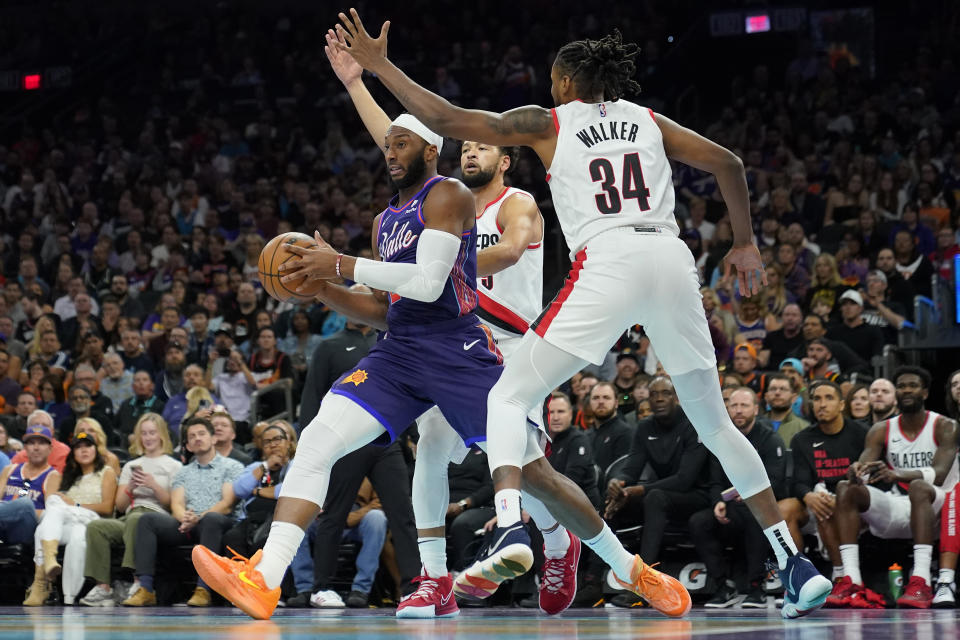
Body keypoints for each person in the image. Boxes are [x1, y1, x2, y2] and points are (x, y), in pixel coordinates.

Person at [338, 14, 829, 619]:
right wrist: (745, 243)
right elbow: (729, 163)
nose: (549, 89)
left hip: (610, 263)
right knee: (717, 424)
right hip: (672, 261)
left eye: (551, 79)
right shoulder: (650, 121)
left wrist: (382, 67)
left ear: (567, 82)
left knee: (508, 400)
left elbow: (446, 121)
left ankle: (514, 529)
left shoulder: (549, 122)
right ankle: (794, 562)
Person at [191, 113, 634, 621]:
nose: (391, 153)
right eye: (387, 146)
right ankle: (266, 577)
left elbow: (427, 284)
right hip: (400, 352)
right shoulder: (385, 222)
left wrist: (338, 264)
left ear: (428, 150)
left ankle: (625, 565)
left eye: (402, 144)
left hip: (460, 349)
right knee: (318, 441)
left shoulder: (450, 196)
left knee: (537, 477)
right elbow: (388, 307)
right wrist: (323, 291)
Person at [321, 37, 572, 617]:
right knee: (430, 449)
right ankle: (434, 579)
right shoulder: (440, 205)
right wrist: (357, 85)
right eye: (465, 146)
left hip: (510, 345)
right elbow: (398, 141)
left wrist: (437, 264)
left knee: (527, 467)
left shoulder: (516, 202)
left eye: (485, 146)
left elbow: (509, 254)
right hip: (449, 338)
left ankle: (559, 545)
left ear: (504, 159)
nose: (471, 153)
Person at [828, 367, 958, 610]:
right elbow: (865, 464)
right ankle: (851, 579)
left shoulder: (945, 426)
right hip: (901, 505)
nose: (906, 390)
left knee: (919, 487)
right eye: (901, 385)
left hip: (943, 507)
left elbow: (938, 476)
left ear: (925, 392)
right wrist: (857, 470)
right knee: (846, 488)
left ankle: (920, 581)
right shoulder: (881, 429)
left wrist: (897, 473)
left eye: (913, 385)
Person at [123, 417, 242, 607]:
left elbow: (227, 503)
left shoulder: (232, 466)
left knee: (211, 518)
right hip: (188, 523)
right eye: (192, 436)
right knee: (147, 520)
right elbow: (176, 504)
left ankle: (203, 589)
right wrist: (184, 518)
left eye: (202, 434)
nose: (197, 438)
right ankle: (145, 588)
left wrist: (198, 518)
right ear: (188, 445)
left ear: (213, 438)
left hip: (219, 523)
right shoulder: (183, 472)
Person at [692, 388, 787, 609]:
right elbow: (714, 481)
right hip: (731, 506)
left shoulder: (769, 439)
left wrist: (749, 495)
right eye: (733, 406)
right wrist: (718, 502)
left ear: (756, 409)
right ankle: (722, 586)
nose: (738, 411)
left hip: (760, 505)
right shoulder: (720, 439)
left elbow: (776, 481)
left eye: (744, 405)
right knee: (699, 522)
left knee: (757, 517)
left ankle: (756, 587)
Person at [80, 413, 182, 607]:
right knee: (96, 526)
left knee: (138, 521)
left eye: (152, 432)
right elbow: (120, 506)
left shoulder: (174, 466)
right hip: (130, 516)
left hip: (158, 518)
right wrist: (130, 488)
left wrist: (154, 486)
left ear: (161, 435)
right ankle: (103, 588)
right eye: (143, 433)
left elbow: (173, 504)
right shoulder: (131, 465)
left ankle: (138, 583)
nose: (148, 437)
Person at [777, 380, 867, 598]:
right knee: (784, 509)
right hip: (819, 500)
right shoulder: (802, 439)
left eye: (829, 398)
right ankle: (800, 580)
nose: (822, 404)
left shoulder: (861, 433)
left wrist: (841, 499)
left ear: (842, 405)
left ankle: (840, 575)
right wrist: (807, 496)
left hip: (855, 504)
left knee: (828, 504)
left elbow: (869, 478)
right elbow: (797, 482)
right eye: (817, 399)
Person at [24, 431, 117, 606]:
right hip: (72, 522)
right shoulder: (68, 478)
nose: (84, 450)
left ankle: (41, 581)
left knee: (53, 506)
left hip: (95, 521)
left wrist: (75, 504)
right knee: (53, 529)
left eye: (88, 446)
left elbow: (107, 508)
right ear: (73, 453)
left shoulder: (106, 472)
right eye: (78, 447)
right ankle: (68, 597)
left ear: (96, 450)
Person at [0, 422, 60, 548]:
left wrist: (17, 509)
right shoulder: (9, 469)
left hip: (25, 530)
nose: (36, 448)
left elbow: (51, 513)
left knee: (25, 504)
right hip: (2, 526)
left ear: (50, 448)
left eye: (42, 443)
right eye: (32, 443)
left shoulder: (53, 476)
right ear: (25, 448)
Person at [763, 373, 809, 447]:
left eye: (783, 389)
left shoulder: (804, 428)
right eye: (773, 389)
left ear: (794, 398)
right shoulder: (755, 426)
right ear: (766, 397)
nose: (777, 393)